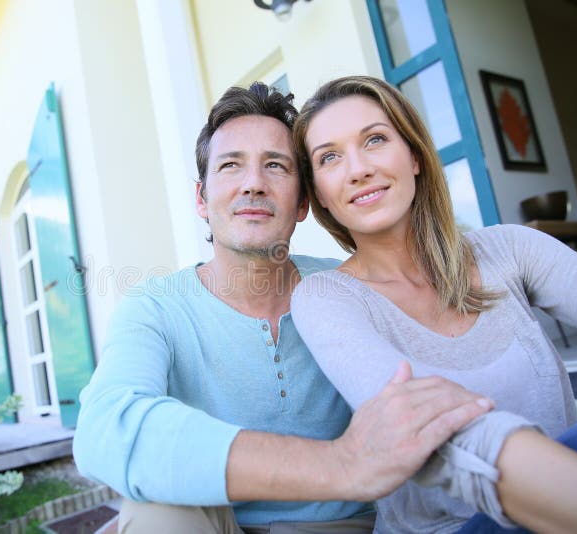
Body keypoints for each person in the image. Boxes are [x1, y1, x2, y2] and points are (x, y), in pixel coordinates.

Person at [73, 82, 496, 533]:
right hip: (220, 524)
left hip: (355, 525)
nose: (253, 183)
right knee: (155, 513)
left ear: (302, 203)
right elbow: (105, 430)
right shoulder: (154, 309)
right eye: (231, 165)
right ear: (201, 199)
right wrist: (341, 463)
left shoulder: (350, 288)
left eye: (275, 166)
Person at [290, 75, 577, 534]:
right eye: (329, 157)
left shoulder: (512, 249)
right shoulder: (326, 298)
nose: (358, 169)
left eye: (376, 139)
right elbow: (431, 430)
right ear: (320, 193)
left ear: (416, 156)